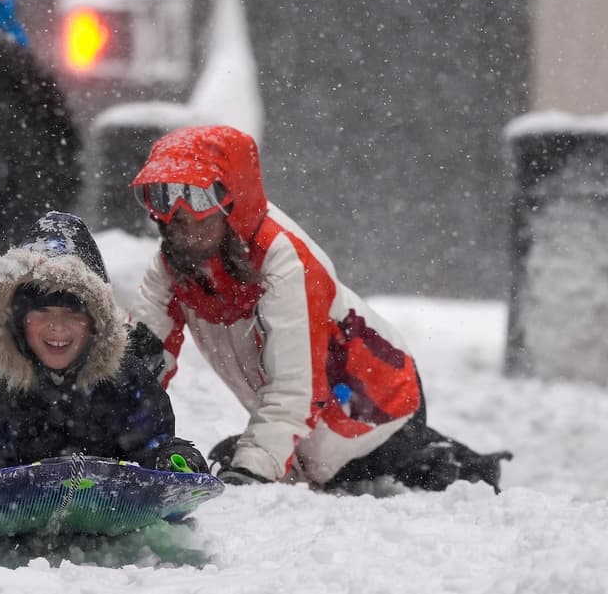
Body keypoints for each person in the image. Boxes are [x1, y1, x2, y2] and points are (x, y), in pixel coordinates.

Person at [125, 125, 511, 492]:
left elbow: (295, 389)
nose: (180, 215)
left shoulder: (286, 263)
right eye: (162, 195)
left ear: (235, 198)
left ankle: (461, 468)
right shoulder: (175, 264)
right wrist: (109, 431)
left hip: (377, 402)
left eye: (198, 196)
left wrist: (250, 473)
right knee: (250, 456)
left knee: (340, 465)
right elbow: (139, 366)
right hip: (306, 411)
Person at [0, 210, 207, 475]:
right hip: (16, 504)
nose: (57, 326)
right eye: (42, 311)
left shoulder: (126, 378)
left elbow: (152, 440)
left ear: (95, 323)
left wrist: (171, 456)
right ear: (18, 320)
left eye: (73, 313)